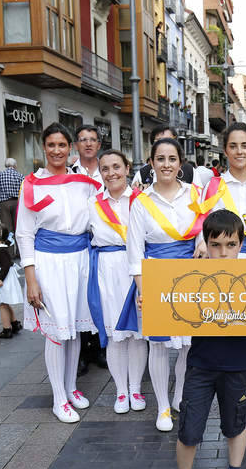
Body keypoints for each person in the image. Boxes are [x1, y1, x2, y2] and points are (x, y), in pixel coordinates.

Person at [192, 122, 246, 430]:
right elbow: (202, 226)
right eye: (233, 146)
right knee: (227, 334)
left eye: (245, 145)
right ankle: (228, 399)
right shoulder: (214, 187)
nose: (239, 151)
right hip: (222, 268)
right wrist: (202, 248)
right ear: (225, 150)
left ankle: (245, 400)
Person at [16, 122, 101, 423]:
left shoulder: (85, 183)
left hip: (79, 261)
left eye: (62, 145)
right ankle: (58, 398)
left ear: (71, 148)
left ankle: (71, 387)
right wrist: (31, 278)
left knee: (74, 329)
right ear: (44, 147)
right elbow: (24, 234)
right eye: (51, 145)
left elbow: (99, 219)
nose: (56, 150)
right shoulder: (31, 184)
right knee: (55, 332)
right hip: (48, 263)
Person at [121, 137, 204, 431]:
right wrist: (143, 291)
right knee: (158, 346)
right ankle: (163, 407)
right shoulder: (141, 202)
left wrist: (203, 240)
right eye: (160, 159)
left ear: (180, 163)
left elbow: (204, 228)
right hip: (156, 277)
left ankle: (180, 396)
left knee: (186, 346)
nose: (166, 165)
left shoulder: (195, 194)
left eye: (172, 159)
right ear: (151, 163)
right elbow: (134, 252)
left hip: (190, 277)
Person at [172, 210, 246, 469]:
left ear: (240, 245)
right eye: (216, 245)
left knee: (236, 425)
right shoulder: (190, 277)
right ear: (205, 244)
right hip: (201, 366)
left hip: (237, 365)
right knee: (189, 430)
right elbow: (168, 302)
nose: (223, 251)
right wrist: (149, 301)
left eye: (230, 245)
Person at [87, 150, 149, 414]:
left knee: (137, 334)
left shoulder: (142, 200)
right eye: (105, 168)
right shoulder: (91, 203)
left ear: (127, 168)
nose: (111, 173)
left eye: (116, 167)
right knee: (115, 335)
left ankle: (135, 388)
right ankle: (121, 392)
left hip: (136, 269)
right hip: (107, 269)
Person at [72, 125, 106, 372]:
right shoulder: (69, 171)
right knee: (82, 296)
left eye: (92, 139)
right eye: (83, 139)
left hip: (103, 241)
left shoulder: (107, 170)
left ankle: (100, 348)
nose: (88, 144)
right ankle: (83, 351)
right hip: (79, 242)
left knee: (102, 296)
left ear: (98, 144)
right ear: (76, 144)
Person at [0, 223, 23, 339]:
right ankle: (15, 323)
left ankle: (7, 329)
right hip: (2, 280)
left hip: (1, 281)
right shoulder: (1, 249)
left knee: (2, 305)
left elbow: (6, 265)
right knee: (4, 302)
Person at [132, 126, 198, 187]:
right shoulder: (142, 174)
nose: (166, 165)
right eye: (159, 141)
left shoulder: (190, 171)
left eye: (169, 140)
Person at [0, 158, 24, 259]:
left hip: (4, 204)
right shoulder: (20, 176)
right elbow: (24, 192)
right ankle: (20, 252)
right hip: (17, 203)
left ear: (6, 165)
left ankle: (10, 253)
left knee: (8, 229)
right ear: (15, 165)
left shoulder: (0, 175)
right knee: (18, 228)